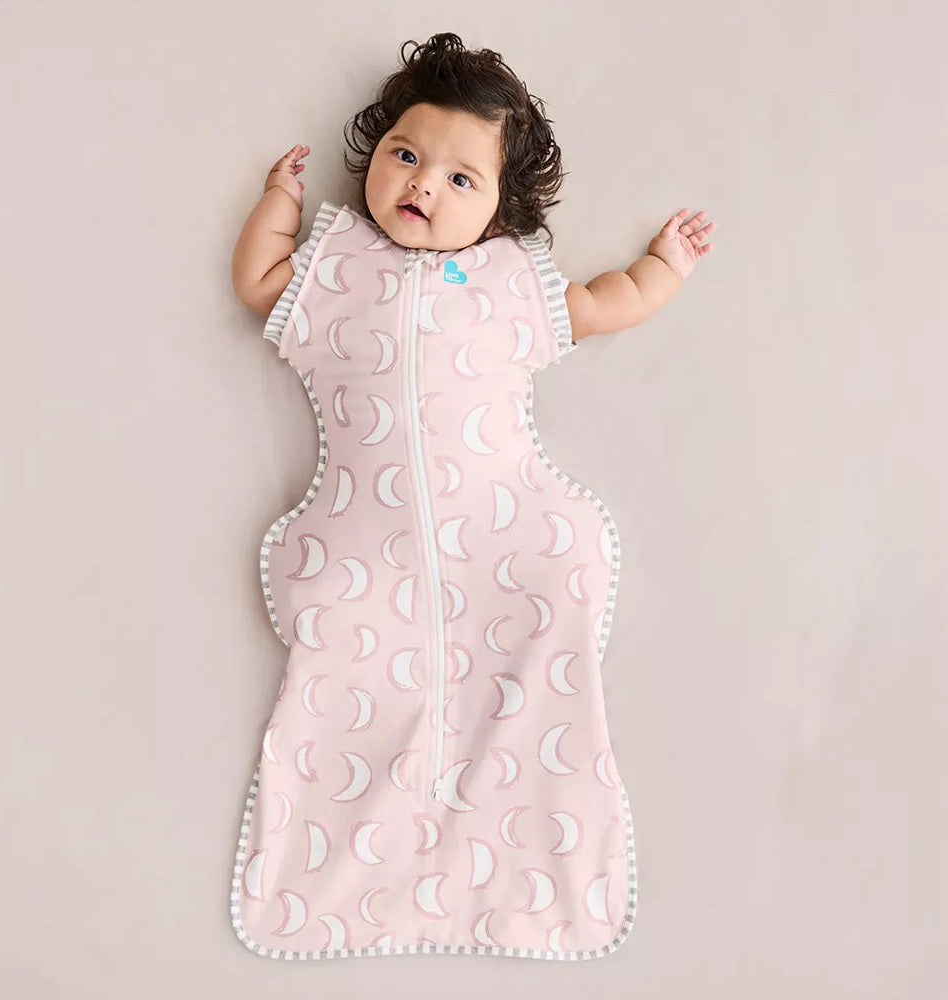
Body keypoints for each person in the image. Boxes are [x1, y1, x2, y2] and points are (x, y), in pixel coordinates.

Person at [227, 32, 716, 963]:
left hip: (501, 531)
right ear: (373, 154)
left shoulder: (508, 282)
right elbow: (257, 281)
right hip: (367, 544)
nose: (423, 184)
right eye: (406, 155)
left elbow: (603, 302)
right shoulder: (334, 267)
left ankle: (520, 862)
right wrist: (279, 202)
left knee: (530, 644)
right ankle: (357, 868)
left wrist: (665, 267)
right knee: (351, 661)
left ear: (500, 209)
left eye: (461, 178)